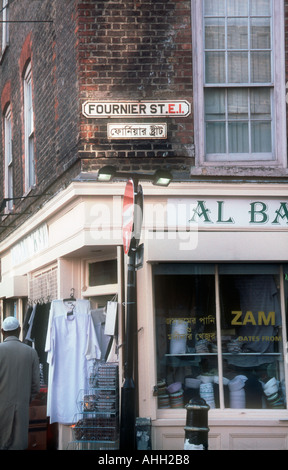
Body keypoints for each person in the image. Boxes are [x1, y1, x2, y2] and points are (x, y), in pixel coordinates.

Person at [0, 316, 40, 450]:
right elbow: (35, 385)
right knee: (19, 444)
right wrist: (25, 399)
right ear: (19, 329)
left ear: (2, 331)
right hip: (21, 408)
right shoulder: (31, 352)